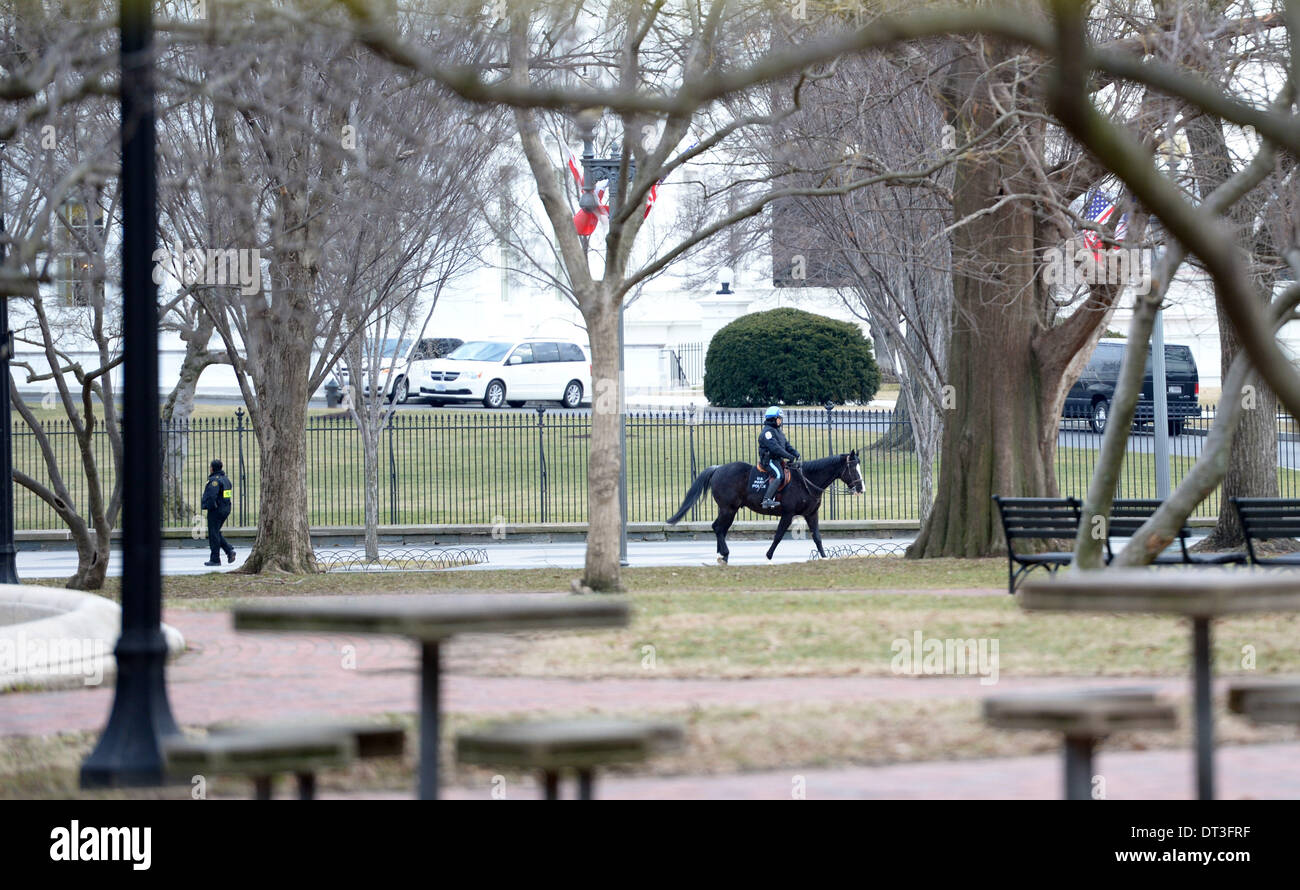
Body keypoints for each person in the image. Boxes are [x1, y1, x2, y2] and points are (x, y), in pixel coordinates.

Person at [757, 405, 800, 509]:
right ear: (773, 419)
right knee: (778, 475)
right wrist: (788, 456)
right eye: (779, 418)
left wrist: (795, 453)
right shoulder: (767, 433)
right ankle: (767, 500)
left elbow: (786, 445)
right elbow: (775, 448)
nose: (781, 421)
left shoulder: (778, 432)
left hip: (777, 459)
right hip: (769, 460)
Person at [201, 458, 235, 567]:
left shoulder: (214, 481)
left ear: (212, 468)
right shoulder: (226, 479)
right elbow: (227, 496)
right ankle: (229, 551)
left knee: (213, 534)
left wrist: (209, 507)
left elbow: (211, 497)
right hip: (225, 509)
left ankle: (215, 559)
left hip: (216, 510)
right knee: (215, 532)